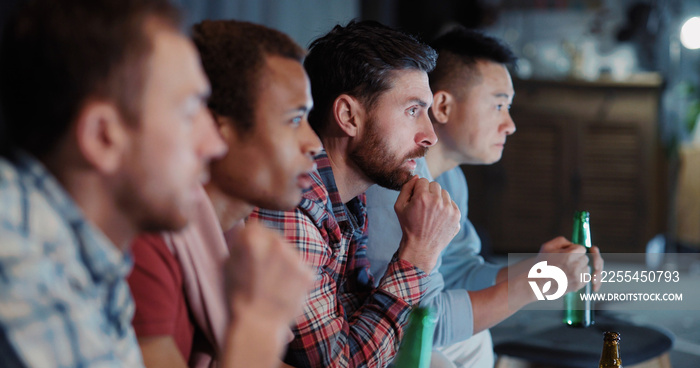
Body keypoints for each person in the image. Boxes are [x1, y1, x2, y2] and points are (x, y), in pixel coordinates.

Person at [0, 0, 227, 366]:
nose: (216, 144)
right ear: (103, 136)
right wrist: (257, 327)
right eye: (189, 112)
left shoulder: (98, 260)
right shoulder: (14, 252)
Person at [365, 27, 604, 367]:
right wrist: (533, 286)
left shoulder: (451, 179)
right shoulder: (394, 184)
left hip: (408, 324)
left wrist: (544, 270)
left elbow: (460, 273)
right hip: (371, 340)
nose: (510, 124)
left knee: (477, 338)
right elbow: (416, 322)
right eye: (498, 105)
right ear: (443, 106)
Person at [249, 20, 461, 368]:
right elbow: (340, 364)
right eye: (412, 111)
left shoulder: (349, 196)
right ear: (348, 116)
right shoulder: (296, 204)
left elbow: (353, 315)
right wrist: (418, 254)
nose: (429, 136)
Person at [128, 20, 320, 368]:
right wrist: (260, 321)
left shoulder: (231, 239)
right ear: (219, 128)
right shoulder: (149, 243)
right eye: (294, 120)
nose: (314, 144)